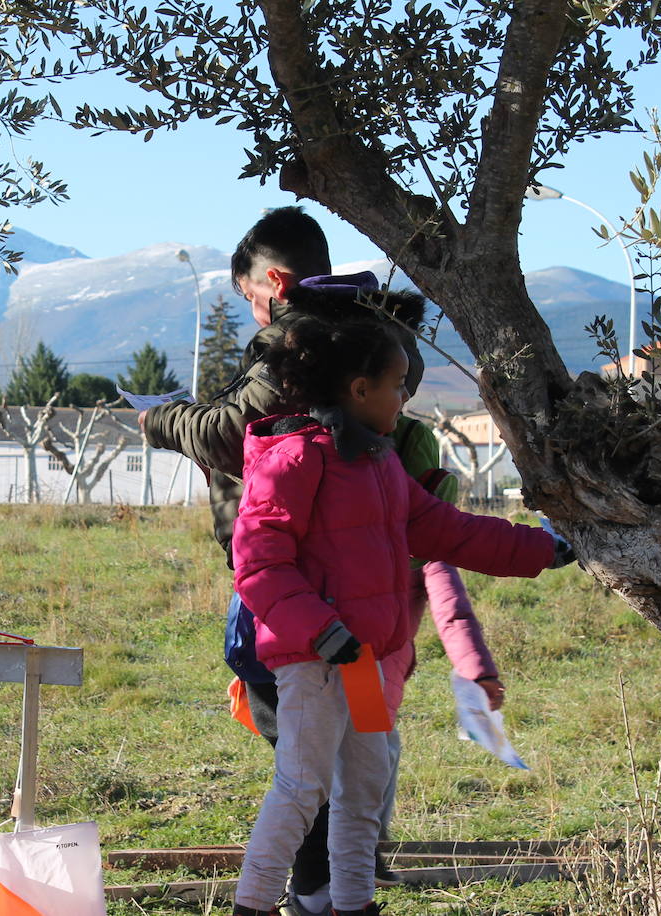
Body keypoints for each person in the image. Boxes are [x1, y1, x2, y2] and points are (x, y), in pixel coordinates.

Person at [142, 207, 500, 916]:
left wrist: (160, 421)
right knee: (354, 763)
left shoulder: (303, 358)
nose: (255, 315)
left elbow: (228, 447)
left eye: (251, 299)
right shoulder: (379, 358)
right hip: (375, 610)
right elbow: (446, 545)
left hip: (307, 615)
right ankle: (340, 893)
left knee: (308, 771)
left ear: (274, 281)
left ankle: (303, 895)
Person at [228, 314, 570, 916]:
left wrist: (546, 549)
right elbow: (257, 564)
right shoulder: (293, 461)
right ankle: (251, 906)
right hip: (315, 662)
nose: (405, 396)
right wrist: (321, 630)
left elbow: (448, 531)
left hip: (361, 662)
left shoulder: (381, 463)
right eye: (398, 384)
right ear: (360, 390)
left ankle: (354, 905)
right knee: (302, 788)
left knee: (362, 791)